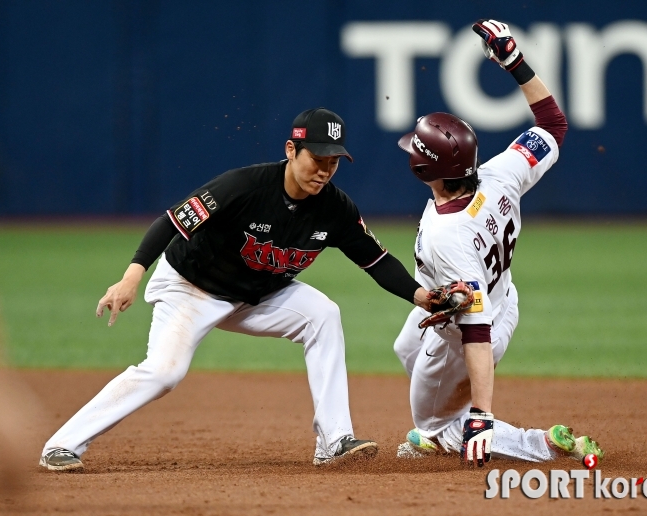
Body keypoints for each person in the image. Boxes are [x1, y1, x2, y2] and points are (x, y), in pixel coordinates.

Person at [39, 108, 439, 470]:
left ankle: (334, 440)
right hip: (191, 288)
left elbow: (377, 261)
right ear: (291, 150)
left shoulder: (335, 208)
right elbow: (170, 222)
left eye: (334, 162)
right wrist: (131, 276)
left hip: (257, 296)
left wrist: (422, 296)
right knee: (164, 374)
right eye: (317, 158)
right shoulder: (243, 186)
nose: (324, 170)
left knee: (324, 314)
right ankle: (63, 444)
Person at [393, 19, 604, 465]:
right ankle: (452, 411)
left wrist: (482, 413)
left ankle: (538, 443)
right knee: (404, 346)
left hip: (471, 329)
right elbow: (553, 122)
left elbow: (474, 328)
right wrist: (513, 60)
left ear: (424, 170)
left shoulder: (444, 235)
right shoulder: (500, 172)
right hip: (502, 297)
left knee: (433, 424)